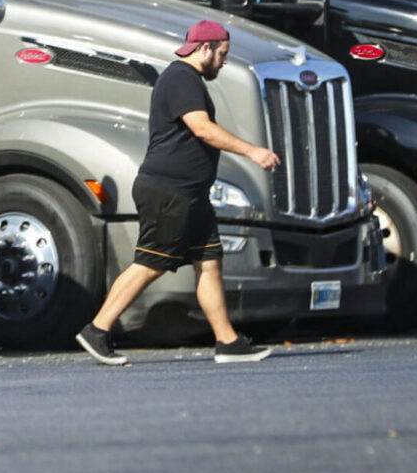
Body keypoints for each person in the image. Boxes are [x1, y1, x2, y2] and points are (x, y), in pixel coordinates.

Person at [76, 19, 282, 365]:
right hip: (170, 191)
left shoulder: (186, 79)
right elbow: (202, 129)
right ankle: (97, 330)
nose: (224, 61)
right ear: (206, 49)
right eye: (223, 54)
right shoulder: (182, 79)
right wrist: (252, 151)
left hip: (190, 194)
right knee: (150, 263)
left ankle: (227, 342)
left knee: (209, 262)